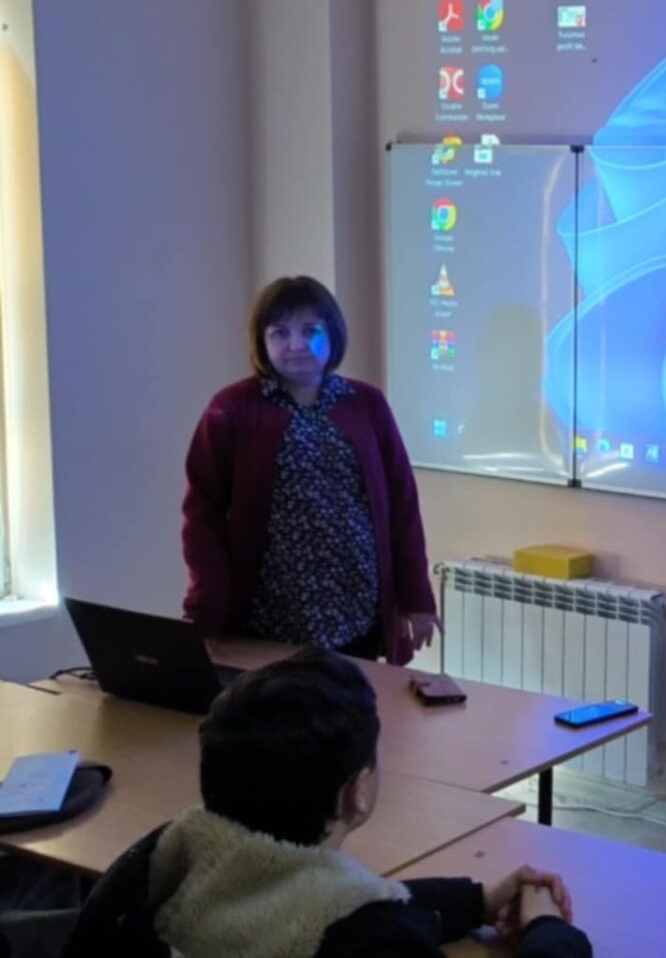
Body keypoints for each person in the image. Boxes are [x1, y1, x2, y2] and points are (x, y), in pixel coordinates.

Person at [62, 649, 590, 957]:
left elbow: (317, 898)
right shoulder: (374, 944)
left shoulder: (158, 862)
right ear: (356, 792)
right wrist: (550, 931)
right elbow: (357, 918)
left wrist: (479, 901)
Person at [182, 276, 439, 665]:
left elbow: (402, 504)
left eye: (310, 330)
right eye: (280, 332)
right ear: (262, 341)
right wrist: (206, 609)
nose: (296, 344)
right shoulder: (231, 409)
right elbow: (202, 517)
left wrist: (416, 597)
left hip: (357, 612)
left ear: (333, 334)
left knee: (355, 702)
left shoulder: (366, 403)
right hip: (270, 617)